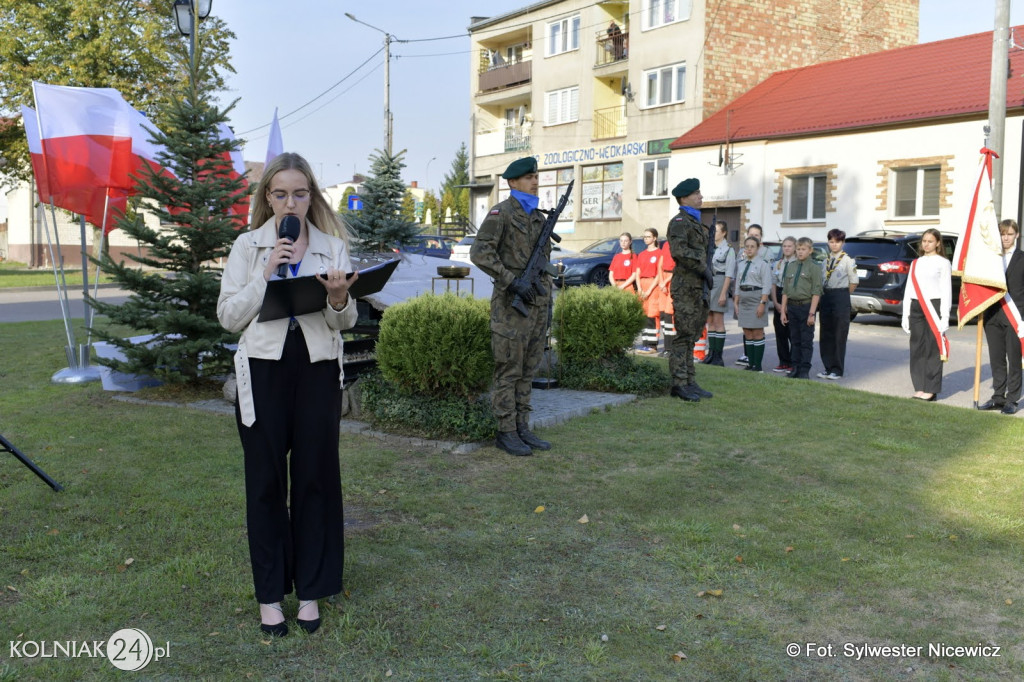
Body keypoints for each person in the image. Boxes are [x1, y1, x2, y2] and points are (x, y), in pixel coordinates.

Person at [218, 152, 359, 637]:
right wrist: (264, 276)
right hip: (262, 371)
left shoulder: (332, 246)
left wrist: (340, 299)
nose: (290, 202)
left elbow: (346, 320)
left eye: (300, 193)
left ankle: (313, 591)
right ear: (267, 198)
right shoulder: (248, 246)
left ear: (312, 197)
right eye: (280, 194)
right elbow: (229, 317)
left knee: (316, 479)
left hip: (317, 370)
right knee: (265, 483)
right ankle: (270, 596)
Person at [471, 156, 553, 456]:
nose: (535, 181)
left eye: (536, 176)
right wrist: (510, 280)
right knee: (509, 371)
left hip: (536, 304)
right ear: (513, 182)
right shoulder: (501, 213)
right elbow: (480, 252)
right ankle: (505, 432)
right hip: (510, 307)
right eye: (529, 177)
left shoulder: (539, 218)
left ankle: (522, 427)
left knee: (528, 370)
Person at [667, 178, 712, 402]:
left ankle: (690, 380)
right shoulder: (679, 222)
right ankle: (679, 383)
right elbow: (679, 252)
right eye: (696, 194)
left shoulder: (697, 223)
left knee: (693, 336)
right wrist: (703, 267)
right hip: (686, 287)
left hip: (698, 288)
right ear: (684, 198)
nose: (700, 197)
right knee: (683, 336)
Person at [901, 228, 951, 401]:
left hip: (934, 306)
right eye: (924, 241)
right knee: (916, 348)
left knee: (932, 348)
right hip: (916, 306)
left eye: (930, 241)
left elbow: (946, 291)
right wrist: (905, 313)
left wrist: (945, 316)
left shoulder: (943, 263)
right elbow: (909, 289)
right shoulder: (916, 263)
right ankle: (919, 386)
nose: (926, 244)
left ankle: (931, 388)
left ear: (937, 243)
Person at [980, 219, 1024, 413]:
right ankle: (998, 397)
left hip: (1015, 315)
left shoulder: (1022, 258)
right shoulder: (991, 258)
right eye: (1003, 234)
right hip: (992, 315)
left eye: (1009, 234)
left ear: (1017, 235)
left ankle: (1012, 399)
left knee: (1014, 358)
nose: (1006, 237)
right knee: (996, 358)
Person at [817, 229, 859, 380]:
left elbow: (854, 282)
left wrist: (842, 294)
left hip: (840, 295)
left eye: (837, 242)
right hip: (826, 296)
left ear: (843, 243)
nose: (834, 245)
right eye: (831, 242)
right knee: (825, 333)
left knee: (839, 334)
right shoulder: (825, 260)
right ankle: (827, 367)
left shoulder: (848, 260)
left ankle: (837, 369)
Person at [780, 237, 823, 379]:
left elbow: (816, 292)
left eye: (803, 249)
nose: (800, 252)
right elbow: (785, 290)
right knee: (795, 339)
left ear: (810, 251)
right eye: (798, 249)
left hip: (806, 307)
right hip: (792, 306)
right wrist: (783, 311)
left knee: (806, 340)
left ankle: (804, 369)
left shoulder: (814, 268)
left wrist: (812, 313)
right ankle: (795, 367)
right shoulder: (791, 266)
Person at [733, 236, 774, 372]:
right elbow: (738, 283)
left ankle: (758, 365)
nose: (749, 249)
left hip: (757, 297)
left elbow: (766, 285)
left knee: (757, 332)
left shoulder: (763, 264)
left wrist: (762, 303)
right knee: (747, 332)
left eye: (752, 246)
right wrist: (736, 301)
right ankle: (750, 364)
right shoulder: (742, 263)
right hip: (743, 298)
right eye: (747, 246)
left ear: (757, 248)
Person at [704, 220, 733, 366]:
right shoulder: (709, 248)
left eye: (716, 231)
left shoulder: (728, 249)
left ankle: (718, 356)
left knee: (718, 320)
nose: (713, 234)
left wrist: (723, 293)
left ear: (724, 233)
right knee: (710, 320)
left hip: (720, 282)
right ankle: (711, 353)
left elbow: (729, 274)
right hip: (709, 282)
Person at [770, 237, 797, 373]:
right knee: (780, 332)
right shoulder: (778, 264)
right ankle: (783, 361)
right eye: (784, 246)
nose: (786, 248)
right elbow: (773, 284)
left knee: (792, 332)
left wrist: (786, 306)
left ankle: (793, 362)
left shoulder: (797, 263)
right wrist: (775, 302)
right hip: (779, 296)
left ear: (795, 248)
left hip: (792, 298)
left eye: (789, 246)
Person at [636, 228, 663, 353]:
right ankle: (645, 343)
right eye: (645, 237)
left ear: (655, 238)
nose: (646, 239)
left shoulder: (659, 253)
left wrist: (650, 289)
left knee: (652, 315)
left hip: (653, 285)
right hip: (642, 284)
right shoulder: (641, 254)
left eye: (648, 236)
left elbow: (659, 273)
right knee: (644, 315)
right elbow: (637, 272)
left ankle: (652, 345)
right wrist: (640, 288)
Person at [658, 237, 676, 357]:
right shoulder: (666, 245)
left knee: (670, 315)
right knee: (663, 315)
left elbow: (677, 268)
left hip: (672, 279)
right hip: (663, 279)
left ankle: (671, 348)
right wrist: (661, 280)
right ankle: (666, 347)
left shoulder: (680, 245)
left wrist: (665, 282)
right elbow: (660, 264)